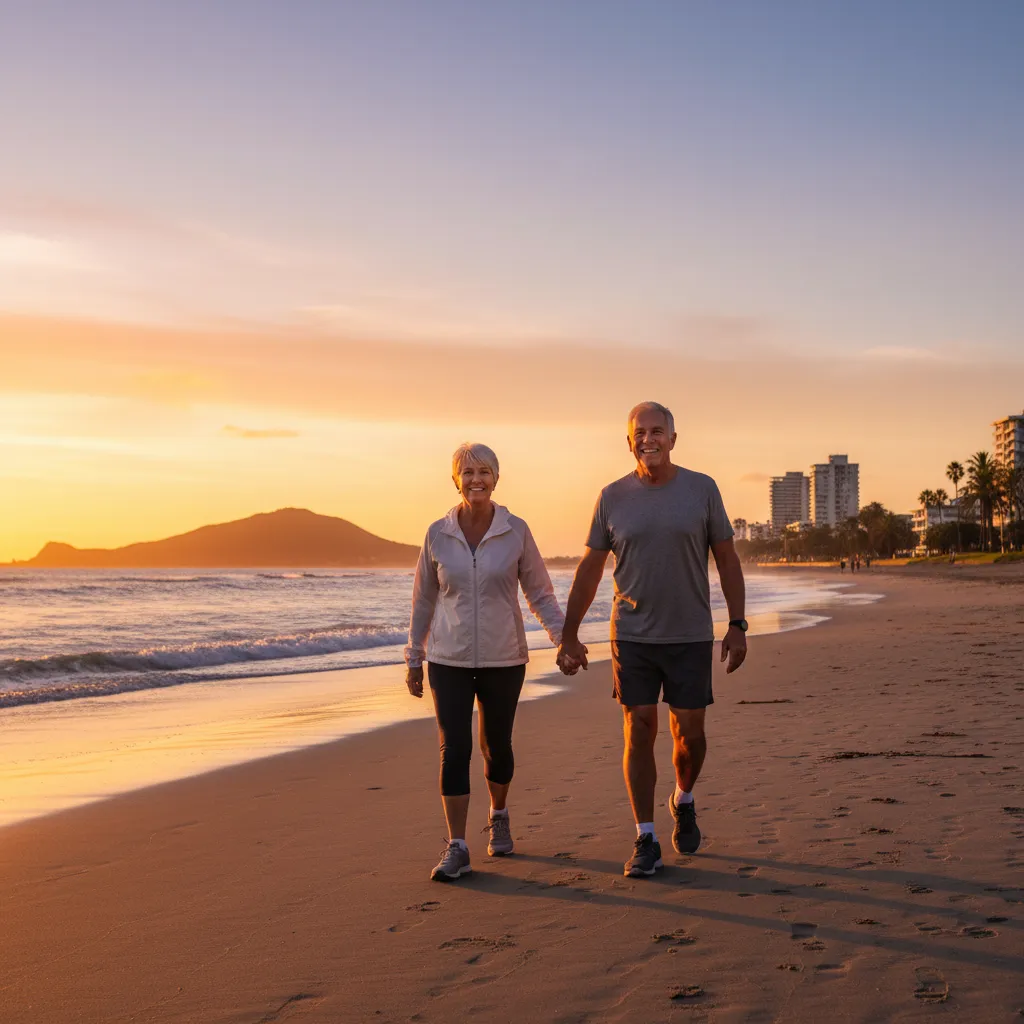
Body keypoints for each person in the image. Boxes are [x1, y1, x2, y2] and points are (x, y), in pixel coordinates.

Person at [556, 402, 747, 878]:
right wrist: (569, 634)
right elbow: (589, 569)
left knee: (690, 736)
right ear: (629, 442)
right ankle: (645, 836)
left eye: (657, 431)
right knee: (639, 728)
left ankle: (683, 798)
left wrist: (738, 624)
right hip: (633, 635)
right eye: (639, 433)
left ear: (673, 438)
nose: (648, 439)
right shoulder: (611, 497)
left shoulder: (702, 490)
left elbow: (725, 558)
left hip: (688, 634)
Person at [405, 442, 564, 882]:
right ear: (455, 480)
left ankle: (498, 814)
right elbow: (424, 598)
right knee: (453, 750)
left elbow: (539, 592)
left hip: (503, 657)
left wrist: (562, 640)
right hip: (447, 658)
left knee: (497, 746)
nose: (476, 479)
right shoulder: (437, 533)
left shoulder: (515, 531)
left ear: (497, 478)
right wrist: (414, 655)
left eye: (484, 472)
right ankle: (457, 845)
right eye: (468, 472)